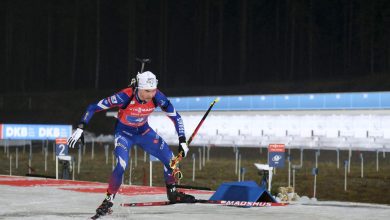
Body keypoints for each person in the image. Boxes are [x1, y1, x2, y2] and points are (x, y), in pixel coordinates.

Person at [67, 71, 196, 217]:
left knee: (172, 160)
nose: (151, 94)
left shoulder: (158, 97)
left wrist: (182, 140)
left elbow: (176, 117)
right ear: (139, 88)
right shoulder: (124, 96)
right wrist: (80, 127)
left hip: (144, 132)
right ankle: (108, 201)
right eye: (148, 91)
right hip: (124, 134)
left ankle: (173, 194)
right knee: (121, 165)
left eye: (154, 90)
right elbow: (93, 107)